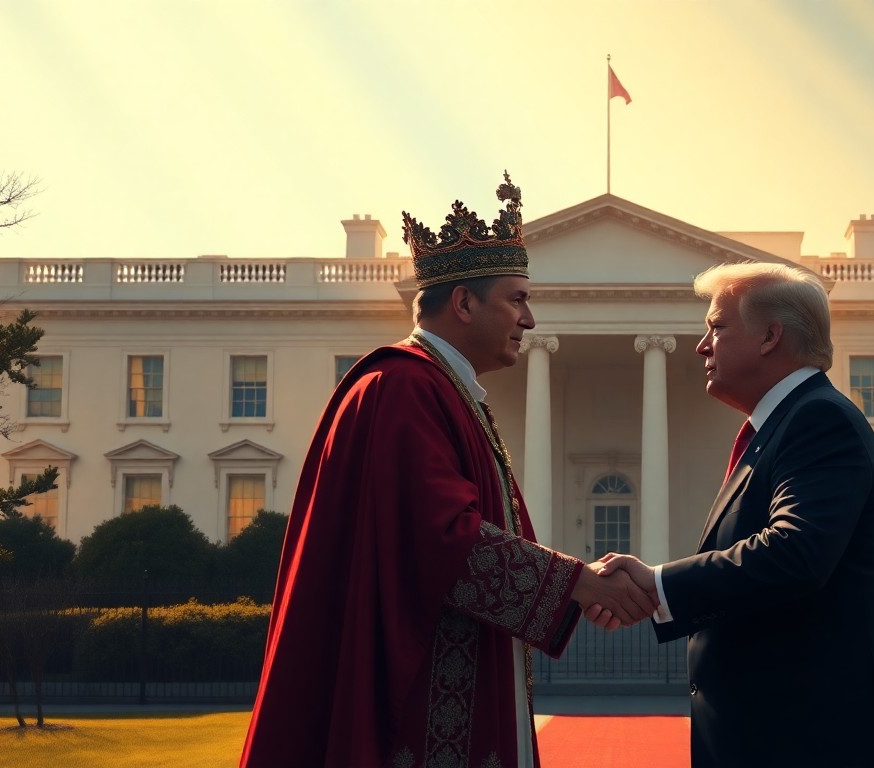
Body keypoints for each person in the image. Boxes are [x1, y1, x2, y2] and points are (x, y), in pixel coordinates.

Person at [240, 172, 656, 768]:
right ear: (463, 302)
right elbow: (440, 539)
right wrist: (581, 583)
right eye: (516, 299)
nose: (530, 320)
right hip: (422, 701)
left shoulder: (441, 390)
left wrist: (576, 585)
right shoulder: (404, 386)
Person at [599, 262, 874, 767]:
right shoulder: (782, 428)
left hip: (819, 742)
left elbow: (796, 552)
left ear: (770, 336)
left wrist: (659, 584)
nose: (702, 346)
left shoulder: (819, 419)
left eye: (717, 327)